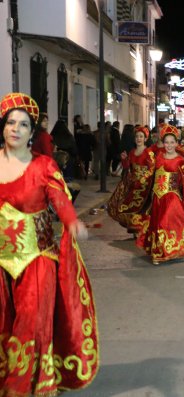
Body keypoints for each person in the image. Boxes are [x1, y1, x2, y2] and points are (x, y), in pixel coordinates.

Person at [0, 92, 98, 395]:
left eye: (24, 125)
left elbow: (60, 200)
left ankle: (23, 385)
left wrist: (72, 221)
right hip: (1, 260)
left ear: (32, 133)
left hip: (37, 258)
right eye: (11, 123)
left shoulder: (44, 166)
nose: (16, 129)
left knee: (31, 320)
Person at [136, 124, 184, 265]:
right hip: (157, 197)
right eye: (166, 142)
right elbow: (151, 173)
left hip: (172, 197)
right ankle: (163, 250)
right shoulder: (158, 156)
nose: (169, 145)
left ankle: (159, 255)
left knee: (163, 222)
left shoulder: (180, 161)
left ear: (177, 143)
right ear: (163, 143)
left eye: (172, 142)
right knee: (157, 223)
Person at [107, 126, 155, 235]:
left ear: (145, 139)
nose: (139, 139)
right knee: (129, 206)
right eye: (137, 136)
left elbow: (151, 168)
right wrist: (124, 159)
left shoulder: (148, 152)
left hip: (145, 186)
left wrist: (143, 178)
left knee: (142, 208)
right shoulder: (132, 152)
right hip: (133, 184)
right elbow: (127, 167)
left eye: (141, 137)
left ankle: (142, 229)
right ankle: (135, 229)